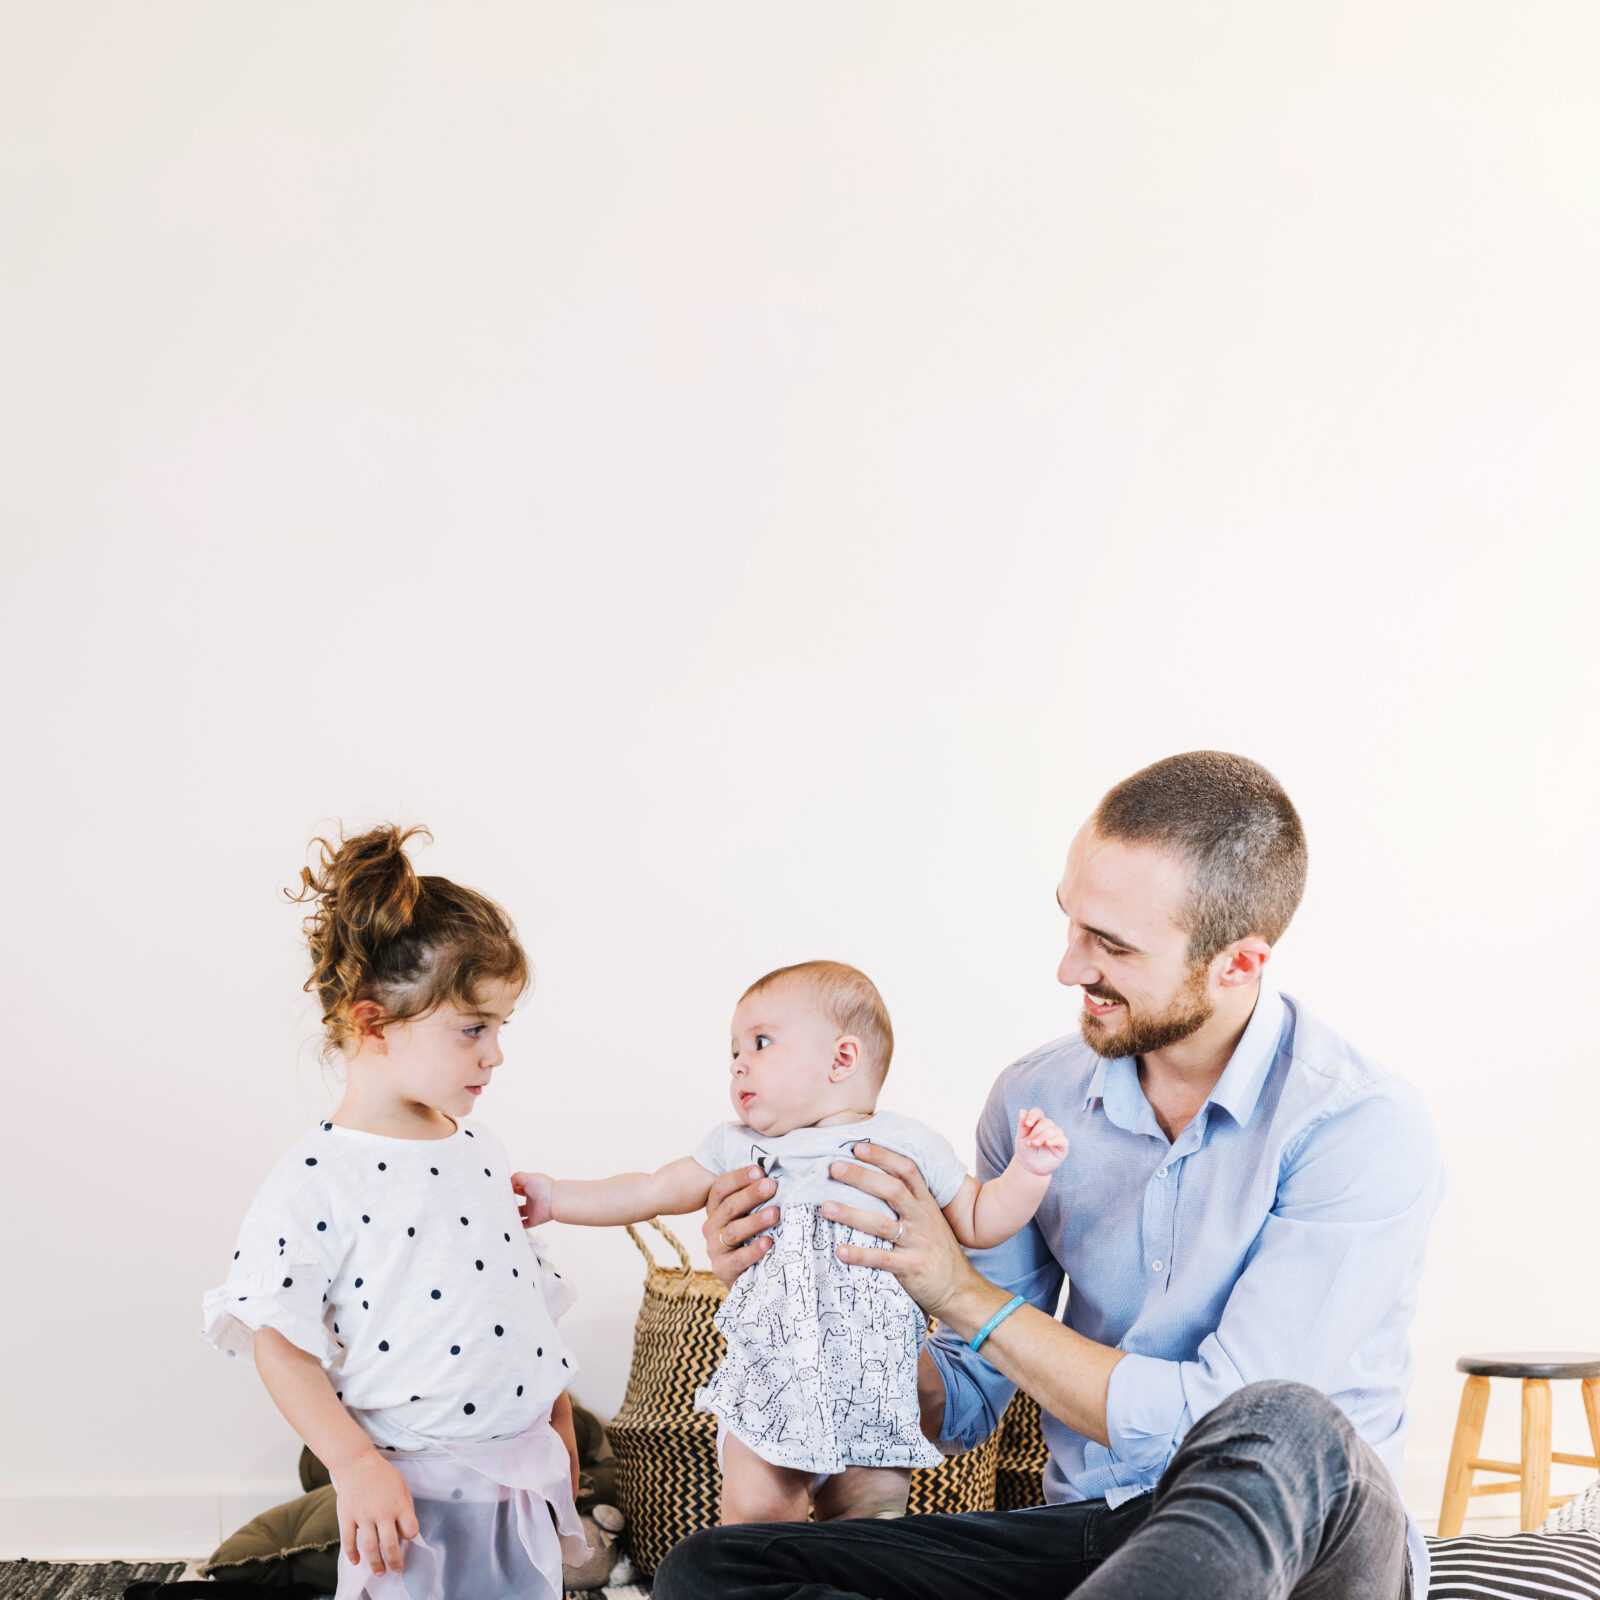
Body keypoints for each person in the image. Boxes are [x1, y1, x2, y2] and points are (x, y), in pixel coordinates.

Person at [662, 752, 1445, 1600]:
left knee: (1280, 1419)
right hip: (1094, 1534)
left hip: (1305, 1543)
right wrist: (808, 1292)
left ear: (1239, 965)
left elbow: (1214, 1419)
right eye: (1072, 924)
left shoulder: (1354, 1124)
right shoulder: (1035, 1100)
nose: (1069, 969)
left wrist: (959, 1289)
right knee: (718, 1568)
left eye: (1110, 945)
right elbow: (961, 1398)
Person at [511, 959, 1068, 1524]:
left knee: (870, 1532)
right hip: (770, 1388)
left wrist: (1028, 1171)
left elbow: (981, 1219)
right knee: (755, 1523)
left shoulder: (905, 1143)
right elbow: (650, 1190)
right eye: (733, 1053)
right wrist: (556, 1198)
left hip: (873, 1389)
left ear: (841, 1058)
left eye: (759, 1043)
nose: (738, 1065)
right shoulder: (739, 1146)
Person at [201, 825, 586, 1600]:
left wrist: (560, 1425)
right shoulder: (317, 1178)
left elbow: (517, 1304)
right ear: (375, 1023)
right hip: (410, 1497)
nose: (495, 1054)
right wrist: (353, 1466)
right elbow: (281, 1343)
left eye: (501, 1028)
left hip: (518, 1481)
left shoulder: (477, 1149)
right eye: (474, 1029)